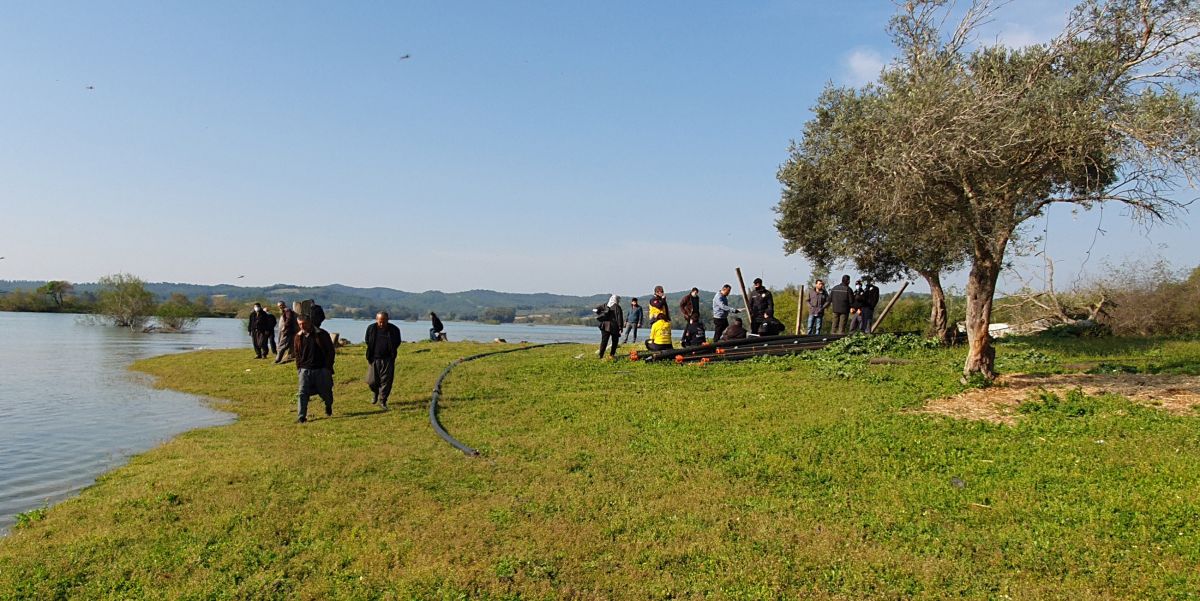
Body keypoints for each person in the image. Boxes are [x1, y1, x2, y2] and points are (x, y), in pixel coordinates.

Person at [294, 312, 335, 423]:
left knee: (326, 392)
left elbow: (330, 351)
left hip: (321, 369)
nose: (302, 326)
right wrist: (299, 368)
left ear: (309, 322)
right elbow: (297, 354)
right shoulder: (298, 337)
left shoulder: (321, 334)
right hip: (304, 370)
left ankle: (328, 406)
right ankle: (301, 416)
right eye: (300, 324)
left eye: (304, 324)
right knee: (302, 393)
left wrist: (327, 367)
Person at [364, 311, 402, 409]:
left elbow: (397, 342)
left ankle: (383, 400)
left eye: (384, 321)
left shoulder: (394, 330)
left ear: (387, 320)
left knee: (386, 381)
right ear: (376, 320)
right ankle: (375, 392)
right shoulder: (371, 328)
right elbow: (367, 340)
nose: (381, 324)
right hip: (374, 359)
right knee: (371, 381)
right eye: (380, 321)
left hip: (388, 359)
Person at [594, 294, 624, 359]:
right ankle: (612, 355)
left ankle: (600, 356)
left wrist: (600, 312)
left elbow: (595, 310)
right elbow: (619, 318)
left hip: (604, 326)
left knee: (604, 341)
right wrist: (620, 327)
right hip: (614, 327)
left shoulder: (605, 305)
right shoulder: (617, 307)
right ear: (616, 300)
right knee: (615, 341)